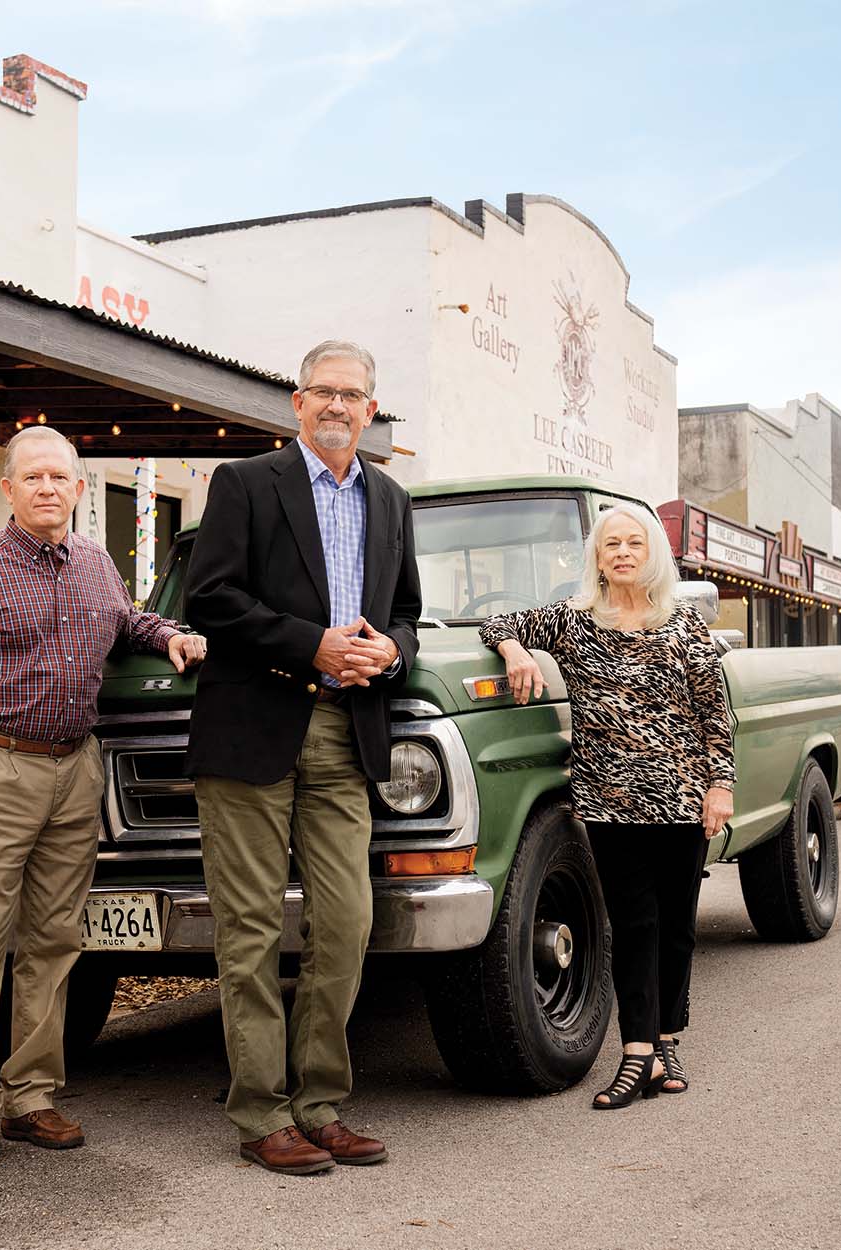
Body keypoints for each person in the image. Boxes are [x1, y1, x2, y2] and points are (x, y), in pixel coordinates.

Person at [0, 425, 206, 1170]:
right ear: (8, 488)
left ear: (79, 489)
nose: (47, 489)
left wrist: (170, 637)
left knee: (55, 943)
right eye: (32, 477)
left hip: (75, 773)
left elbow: (125, 620)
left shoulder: (97, 564)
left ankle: (31, 1097)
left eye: (60, 478)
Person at [184, 339, 423, 1175]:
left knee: (348, 925)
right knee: (249, 929)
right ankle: (259, 1112)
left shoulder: (391, 500)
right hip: (252, 726)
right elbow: (208, 598)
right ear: (296, 401)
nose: (337, 406)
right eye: (323, 391)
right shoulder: (246, 484)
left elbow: (407, 616)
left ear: (371, 408)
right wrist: (311, 646)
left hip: (346, 730)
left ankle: (320, 1103)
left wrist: (385, 655)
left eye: (352, 395)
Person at [478, 502, 734, 1109]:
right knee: (632, 925)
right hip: (609, 801)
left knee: (675, 927)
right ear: (597, 556)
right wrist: (516, 651)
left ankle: (668, 1043)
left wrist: (719, 785)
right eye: (611, 543)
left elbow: (713, 713)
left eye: (634, 543)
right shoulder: (574, 621)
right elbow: (496, 622)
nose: (622, 552)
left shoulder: (684, 626)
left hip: (680, 795)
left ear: (653, 555)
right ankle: (637, 1054)